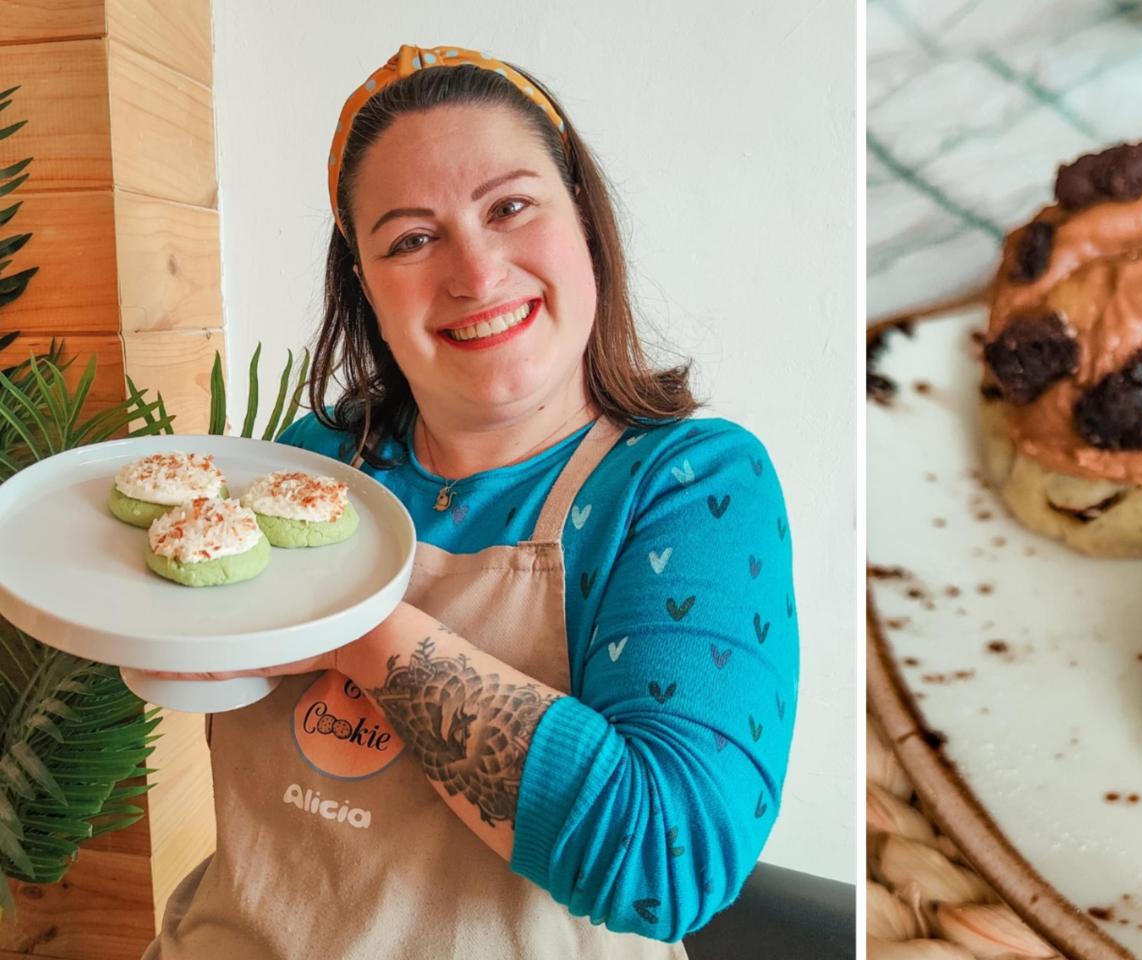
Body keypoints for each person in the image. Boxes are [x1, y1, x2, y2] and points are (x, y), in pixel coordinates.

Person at [144, 44, 799, 959]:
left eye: (510, 208)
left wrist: (354, 632)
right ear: (366, 286)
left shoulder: (686, 486)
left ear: (585, 222)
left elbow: (667, 857)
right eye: (412, 239)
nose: (477, 273)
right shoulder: (309, 468)